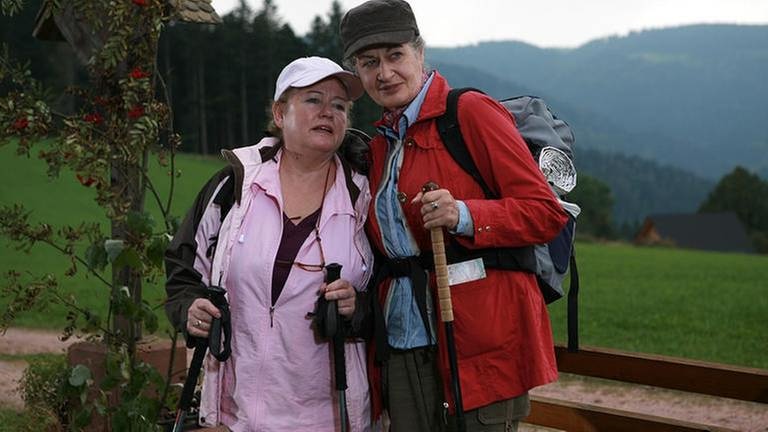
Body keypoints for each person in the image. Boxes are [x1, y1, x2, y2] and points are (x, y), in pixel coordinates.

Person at [339, 1, 570, 431]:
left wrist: (462, 213)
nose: (384, 73)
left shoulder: (468, 114)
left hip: (478, 344)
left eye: (395, 56)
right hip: (404, 341)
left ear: (420, 53)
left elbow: (544, 213)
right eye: (369, 63)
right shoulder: (380, 145)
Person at [164, 56, 375, 432]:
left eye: (340, 106)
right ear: (279, 113)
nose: (328, 112)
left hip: (329, 416)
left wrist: (357, 306)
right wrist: (189, 308)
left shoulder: (364, 198)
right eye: (313, 100)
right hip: (235, 412)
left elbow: (390, 295)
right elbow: (183, 270)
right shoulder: (233, 186)